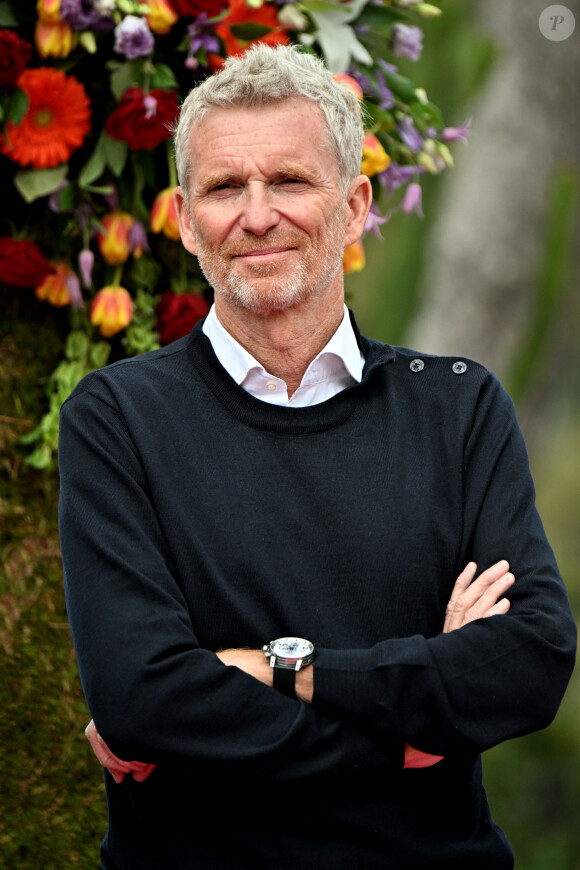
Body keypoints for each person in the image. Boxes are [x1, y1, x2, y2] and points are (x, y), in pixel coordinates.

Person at [59, 44, 576, 870]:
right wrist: (414, 732)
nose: (257, 215)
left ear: (355, 203)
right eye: (226, 188)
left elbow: (529, 664)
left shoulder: (459, 408)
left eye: (291, 182)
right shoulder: (117, 420)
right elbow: (142, 700)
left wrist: (271, 669)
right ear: (187, 220)